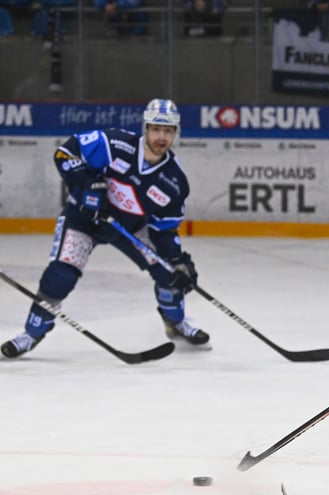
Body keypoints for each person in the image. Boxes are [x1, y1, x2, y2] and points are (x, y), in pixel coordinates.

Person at [1, 98, 209, 360]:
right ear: (145, 128)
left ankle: (176, 324)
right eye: (156, 129)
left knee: (170, 276)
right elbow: (65, 154)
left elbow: (163, 230)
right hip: (83, 219)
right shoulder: (115, 144)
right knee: (60, 276)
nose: (161, 137)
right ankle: (30, 335)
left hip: (129, 228)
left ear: (176, 133)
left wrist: (178, 262)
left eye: (168, 131)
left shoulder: (174, 182)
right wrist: (88, 185)